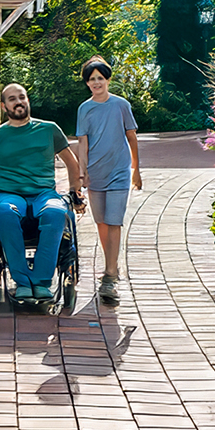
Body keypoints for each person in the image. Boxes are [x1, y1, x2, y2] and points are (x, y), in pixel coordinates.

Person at [0, 83, 84, 301]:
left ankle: (41, 282)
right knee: (5, 213)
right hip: (8, 193)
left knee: (55, 212)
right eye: (12, 99)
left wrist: (75, 192)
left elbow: (72, 163)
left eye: (22, 97)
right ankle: (22, 281)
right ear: (4, 106)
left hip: (43, 193)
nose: (18, 102)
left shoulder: (48, 129)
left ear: (27, 100)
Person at [74, 56, 141, 302]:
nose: (96, 83)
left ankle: (110, 275)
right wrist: (83, 172)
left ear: (108, 79)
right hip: (96, 172)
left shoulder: (121, 105)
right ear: (87, 83)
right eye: (91, 80)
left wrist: (137, 169)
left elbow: (132, 137)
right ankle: (111, 263)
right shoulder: (84, 108)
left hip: (119, 171)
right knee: (101, 222)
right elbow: (83, 141)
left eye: (100, 78)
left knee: (114, 221)